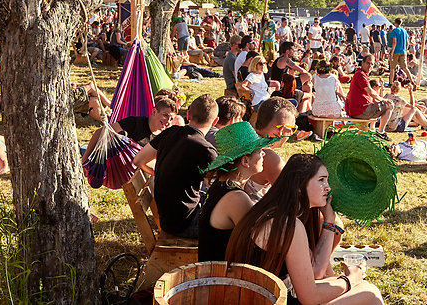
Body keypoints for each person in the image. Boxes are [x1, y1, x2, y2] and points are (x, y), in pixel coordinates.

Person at [225, 154, 384, 305]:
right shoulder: (290, 225)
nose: (328, 187)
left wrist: (329, 221)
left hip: (267, 297)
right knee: (370, 293)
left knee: (362, 288)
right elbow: (309, 297)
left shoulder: (277, 213)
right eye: (321, 180)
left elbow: (316, 272)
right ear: (299, 186)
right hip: (276, 300)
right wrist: (351, 280)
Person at [133, 94, 218, 238]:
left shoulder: (169, 132)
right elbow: (216, 190)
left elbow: (138, 160)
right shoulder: (206, 150)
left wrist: (163, 172)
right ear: (215, 121)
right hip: (185, 224)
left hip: (168, 218)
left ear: (188, 115)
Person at [198, 121, 280, 262]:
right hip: (220, 273)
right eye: (259, 151)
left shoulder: (222, 184)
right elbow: (262, 243)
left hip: (214, 268)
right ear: (245, 161)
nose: (264, 154)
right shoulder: (236, 198)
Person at [81, 95, 177, 163]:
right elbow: (100, 132)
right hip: (117, 168)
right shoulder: (135, 123)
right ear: (154, 112)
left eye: (171, 119)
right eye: (165, 115)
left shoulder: (164, 138)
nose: (168, 121)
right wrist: (85, 160)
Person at [247, 97, 296, 202]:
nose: (292, 133)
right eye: (292, 129)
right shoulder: (268, 156)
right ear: (281, 130)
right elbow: (291, 196)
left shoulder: (244, 142)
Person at [345, 54, 393, 141]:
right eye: (368, 63)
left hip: (357, 110)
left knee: (377, 104)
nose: (370, 66)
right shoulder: (360, 74)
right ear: (362, 63)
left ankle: (373, 130)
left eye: (372, 64)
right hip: (360, 111)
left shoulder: (361, 74)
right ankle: (381, 132)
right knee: (390, 105)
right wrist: (383, 100)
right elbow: (371, 92)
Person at [388, 18, 412, 87]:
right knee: (405, 68)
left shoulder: (394, 30)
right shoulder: (404, 31)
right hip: (403, 51)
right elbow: (408, 42)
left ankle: (390, 83)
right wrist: (406, 50)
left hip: (396, 51)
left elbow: (394, 42)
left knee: (392, 68)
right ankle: (412, 81)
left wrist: (391, 53)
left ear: (395, 23)